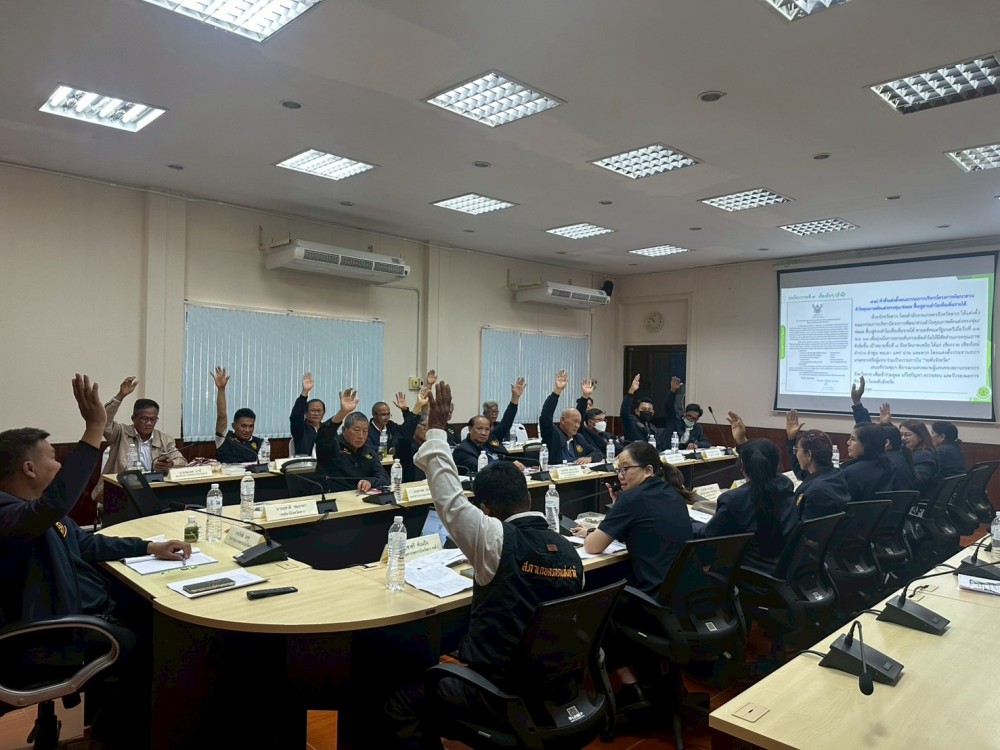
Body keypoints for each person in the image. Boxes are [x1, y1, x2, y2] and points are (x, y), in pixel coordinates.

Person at [387, 381, 583, 749]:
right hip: (553, 686)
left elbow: (448, 496)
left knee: (400, 702)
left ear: (486, 510)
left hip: (498, 691)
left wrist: (436, 428)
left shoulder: (494, 538)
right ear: (527, 497)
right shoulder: (570, 550)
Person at [0, 374, 191, 748]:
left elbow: (86, 542)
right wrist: (92, 430)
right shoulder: (11, 515)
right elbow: (51, 506)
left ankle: (107, 728)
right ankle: (121, 737)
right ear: (29, 469)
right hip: (45, 639)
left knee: (149, 613)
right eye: (53, 458)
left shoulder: (35, 512)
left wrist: (149, 547)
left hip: (70, 616)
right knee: (159, 646)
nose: (59, 465)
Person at [698, 434, 797, 573]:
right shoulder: (786, 487)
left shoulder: (734, 499)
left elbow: (708, 539)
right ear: (776, 464)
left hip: (750, 575)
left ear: (742, 466)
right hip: (789, 570)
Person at [92, 375, 188, 504]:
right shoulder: (120, 433)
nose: (149, 423)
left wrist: (171, 464)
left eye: (153, 419)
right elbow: (104, 421)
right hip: (122, 491)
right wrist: (120, 396)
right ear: (133, 418)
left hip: (155, 490)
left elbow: (182, 461)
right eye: (144, 419)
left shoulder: (164, 439)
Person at [316, 387, 390, 492]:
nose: (361, 436)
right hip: (334, 496)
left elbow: (384, 477)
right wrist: (342, 413)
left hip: (359, 497)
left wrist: (370, 482)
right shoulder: (332, 446)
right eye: (357, 430)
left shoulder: (368, 451)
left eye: (365, 431)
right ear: (344, 430)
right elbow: (323, 436)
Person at [785, 411, 850, 519]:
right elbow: (802, 474)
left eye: (797, 450)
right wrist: (792, 439)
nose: (796, 454)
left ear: (809, 455)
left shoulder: (815, 491)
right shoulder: (835, 474)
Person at [539, 370, 604, 465]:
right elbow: (546, 416)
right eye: (575, 421)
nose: (577, 426)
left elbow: (598, 453)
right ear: (563, 420)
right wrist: (557, 391)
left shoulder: (579, 438)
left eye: (579, 422)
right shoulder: (552, 434)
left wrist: (589, 458)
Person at [212, 366, 263, 463]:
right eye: (243, 426)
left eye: (251, 426)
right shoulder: (224, 438)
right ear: (233, 426)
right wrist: (221, 389)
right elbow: (221, 415)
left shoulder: (259, 443)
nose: (247, 430)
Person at [840, 422, 895, 502]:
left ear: (867, 444)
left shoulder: (851, 473)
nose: (848, 442)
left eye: (853, 439)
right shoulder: (889, 465)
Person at [662, 376, 711, 449]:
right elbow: (668, 406)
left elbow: (707, 442)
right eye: (689, 416)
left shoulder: (697, 428)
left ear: (697, 419)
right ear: (684, 414)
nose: (690, 419)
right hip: (668, 451)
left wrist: (697, 444)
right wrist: (672, 391)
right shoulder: (675, 421)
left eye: (693, 418)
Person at [899, 419, 941, 498]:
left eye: (907, 435)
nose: (903, 438)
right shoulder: (907, 450)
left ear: (920, 437)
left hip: (918, 498)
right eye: (901, 434)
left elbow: (918, 481)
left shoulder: (925, 455)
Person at [576, 379, 618, 456]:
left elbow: (620, 448)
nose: (603, 423)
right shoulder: (583, 432)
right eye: (599, 420)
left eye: (604, 420)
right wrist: (585, 396)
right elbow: (579, 415)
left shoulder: (606, 435)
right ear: (590, 422)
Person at [289, 371, 327, 456]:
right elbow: (296, 416)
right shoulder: (300, 429)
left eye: (319, 411)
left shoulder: (327, 429)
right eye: (312, 410)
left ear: (323, 414)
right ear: (305, 413)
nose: (316, 413)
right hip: (305, 463)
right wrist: (304, 392)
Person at [619, 373, 660, 446]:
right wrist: (631, 391)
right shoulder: (631, 422)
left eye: (649, 410)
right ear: (637, 411)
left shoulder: (652, 428)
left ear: (652, 413)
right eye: (644, 409)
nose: (646, 411)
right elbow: (624, 413)